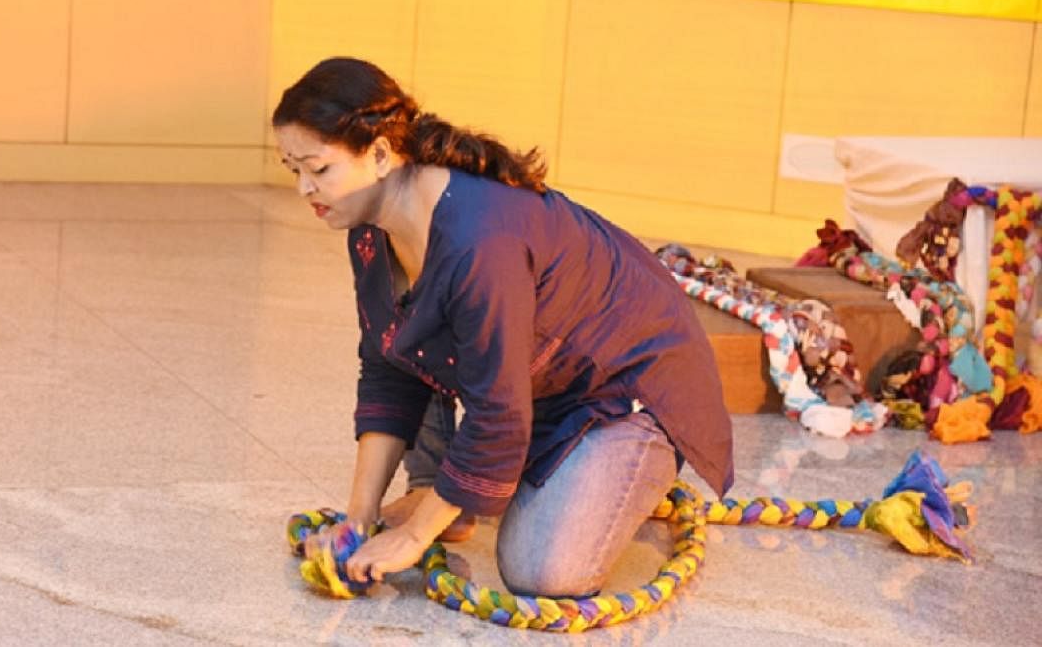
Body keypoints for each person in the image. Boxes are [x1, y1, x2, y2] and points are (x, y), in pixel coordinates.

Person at [272, 57, 734, 598]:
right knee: (413, 341)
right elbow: (387, 365)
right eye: (293, 170)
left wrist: (415, 537)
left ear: (379, 154)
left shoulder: (478, 242)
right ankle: (456, 493)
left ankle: (566, 476)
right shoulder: (368, 224)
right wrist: (359, 519)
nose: (305, 188)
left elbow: (498, 413)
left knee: (542, 571)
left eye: (318, 169)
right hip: (526, 386)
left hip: (625, 389)